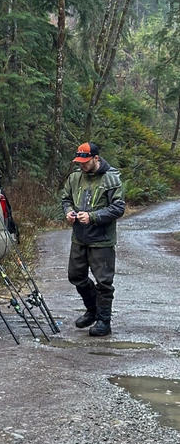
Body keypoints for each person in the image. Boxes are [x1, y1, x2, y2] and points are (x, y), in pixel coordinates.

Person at [61, 141, 125, 337]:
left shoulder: (111, 179)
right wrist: (69, 212)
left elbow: (118, 208)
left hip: (102, 240)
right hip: (79, 238)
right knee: (76, 276)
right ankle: (92, 309)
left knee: (104, 282)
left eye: (86, 162)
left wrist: (93, 217)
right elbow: (65, 199)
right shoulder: (74, 178)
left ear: (96, 158)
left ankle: (104, 322)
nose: (82, 165)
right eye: (79, 162)